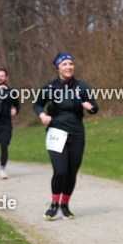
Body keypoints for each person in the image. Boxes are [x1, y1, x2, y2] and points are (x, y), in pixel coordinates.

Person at [34, 53, 99, 219]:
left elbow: (94, 107)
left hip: (77, 133)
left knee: (71, 173)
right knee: (60, 171)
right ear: (58, 68)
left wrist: (89, 106)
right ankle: (54, 204)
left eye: (71, 63)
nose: (69, 67)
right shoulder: (50, 87)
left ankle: (65, 205)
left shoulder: (81, 87)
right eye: (64, 64)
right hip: (56, 132)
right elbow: (37, 104)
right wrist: (42, 116)